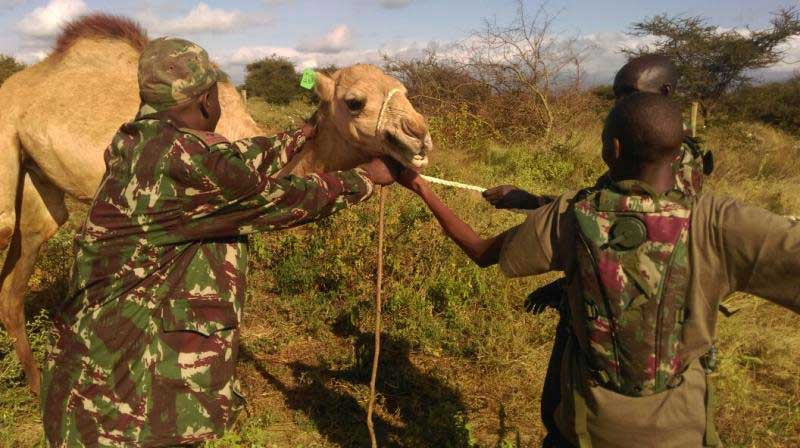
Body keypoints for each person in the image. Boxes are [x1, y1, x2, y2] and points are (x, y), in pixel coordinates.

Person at [40, 37, 395, 447]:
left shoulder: (141, 143)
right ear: (208, 100)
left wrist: (301, 137)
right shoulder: (187, 164)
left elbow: (235, 160)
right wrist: (364, 180)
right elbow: (282, 200)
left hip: (95, 370)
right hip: (121, 399)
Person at [396, 92, 799, 447]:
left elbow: (481, 250)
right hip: (682, 428)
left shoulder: (572, 214)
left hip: (589, 428)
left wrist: (419, 187)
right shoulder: (719, 220)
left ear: (612, 151)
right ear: (680, 154)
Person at [482, 54, 714, 444]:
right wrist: (532, 200)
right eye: (617, 95)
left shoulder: (672, 156)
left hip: (632, 309)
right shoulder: (648, 144)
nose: (620, 104)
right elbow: (605, 207)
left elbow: (638, 234)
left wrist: (565, 282)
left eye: (629, 94)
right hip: (611, 296)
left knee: (575, 414)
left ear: (666, 93)